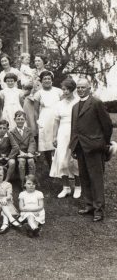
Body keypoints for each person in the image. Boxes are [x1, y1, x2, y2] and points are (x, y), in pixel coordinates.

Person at [69, 78, 113, 222]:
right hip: (80, 147)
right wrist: (73, 146)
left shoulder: (96, 103)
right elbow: (74, 128)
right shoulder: (75, 106)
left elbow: (107, 125)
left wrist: (103, 143)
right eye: (79, 87)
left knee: (96, 179)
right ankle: (89, 206)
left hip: (94, 147)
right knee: (84, 177)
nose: (80, 90)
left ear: (89, 89)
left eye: (83, 87)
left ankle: (99, 209)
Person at [51, 78, 81, 199]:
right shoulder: (59, 104)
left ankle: (78, 187)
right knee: (62, 161)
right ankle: (66, 188)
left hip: (76, 133)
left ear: (73, 89)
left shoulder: (79, 102)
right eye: (64, 89)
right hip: (62, 133)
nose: (65, 91)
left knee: (75, 161)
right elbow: (56, 122)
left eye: (68, 89)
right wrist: (54, 136)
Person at [34, 71, 62, 168]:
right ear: (41, 81)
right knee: (46, 143)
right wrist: (38, 122)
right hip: (44, 119)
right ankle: (50, 165)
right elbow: (35, 110)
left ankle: (59, 164)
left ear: (52, 80)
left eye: (49, 79)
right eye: (44, 79)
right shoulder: (38, 93)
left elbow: (64, 105)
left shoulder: (58, 91)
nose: (47, 80)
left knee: (58, 140)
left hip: (57, 118)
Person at [0, 166, 21, 234]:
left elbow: (9, 196)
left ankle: (5, 225)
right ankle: (11, 219)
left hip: (8, 204)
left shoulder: (8, 184)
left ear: (4, 175)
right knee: (3, 205)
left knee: (4, 210)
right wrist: (2, 201)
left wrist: (4, 198)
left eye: (0, 175)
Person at [10, 111, 37, 185]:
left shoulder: (29, 130)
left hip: (28, 153)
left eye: (22, 119)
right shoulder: (12, 132)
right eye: (18, 119)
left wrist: (30, 152)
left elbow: (32, 142)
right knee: (22, 161)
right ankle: (23, 183)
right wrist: (20, 152)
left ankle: (32, 181)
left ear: (25, 120)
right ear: (14, 120)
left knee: (31, 161)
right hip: (19, 153)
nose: (20, 121)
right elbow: (14, 145)